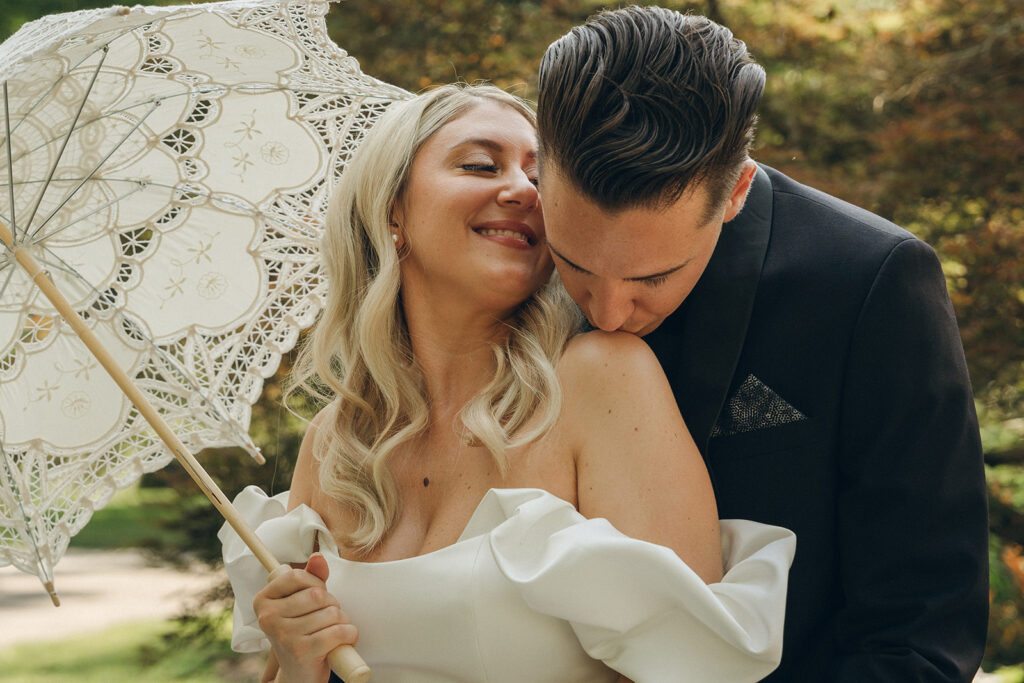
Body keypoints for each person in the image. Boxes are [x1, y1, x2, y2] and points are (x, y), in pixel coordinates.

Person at [220, 83, 795, 682]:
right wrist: (295, 659)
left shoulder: (602, 380)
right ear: (393, 209)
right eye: (480, 164)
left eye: (541, 177)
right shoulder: (336, 444)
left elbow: (691, 668)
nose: (524, 191)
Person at [534, 6, 989, 682]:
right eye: (574, 262)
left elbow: (919, 632)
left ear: (735, 192)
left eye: (653, 276)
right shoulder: (503, 268)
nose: (606, 313)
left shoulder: (872, 285)